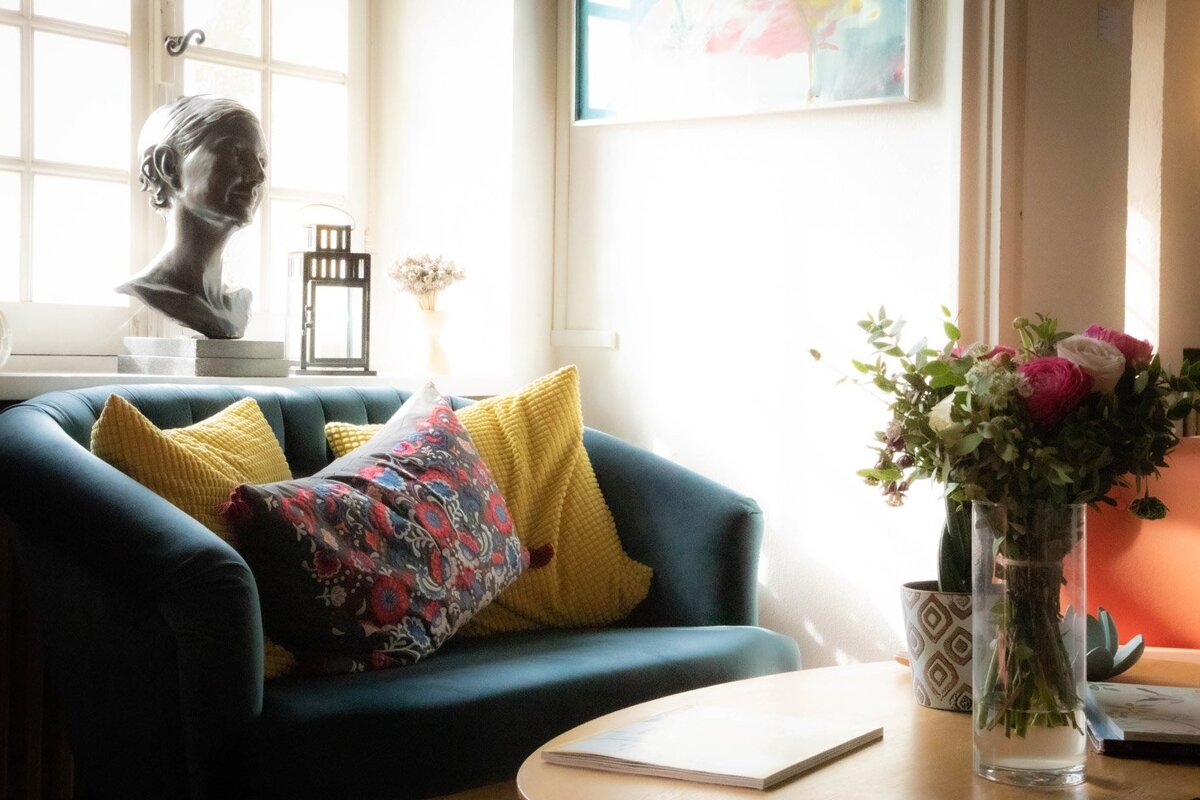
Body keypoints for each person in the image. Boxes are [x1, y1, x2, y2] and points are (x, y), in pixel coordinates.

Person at [118, 95, 266, 339]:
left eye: (262, 161)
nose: (258, 176)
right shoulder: (149, 292)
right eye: (236, 153)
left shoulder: (240, 302)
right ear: (168, 166)